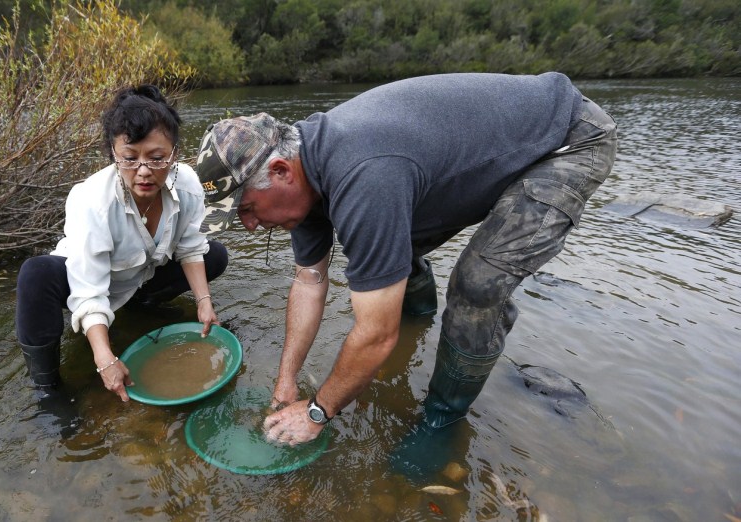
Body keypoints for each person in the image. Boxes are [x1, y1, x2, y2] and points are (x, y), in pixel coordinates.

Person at [195, 72, 616, 445]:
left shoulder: (364, 175)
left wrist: (317, 411)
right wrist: (286, 381)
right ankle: (419, 317)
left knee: (477, 284)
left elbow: (376, 335)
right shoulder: (301, 179)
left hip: (566, 140)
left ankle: (442, 421)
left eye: (246, 209)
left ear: (283, 172)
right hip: (454, 157)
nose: (249, 226)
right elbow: (309, 280)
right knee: (389, 253)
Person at [16, 85, 228, 402]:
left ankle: (142, 305)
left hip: (140, 276)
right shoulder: (92, 199)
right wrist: (105, 358)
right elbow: (88, 290)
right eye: (129, 158)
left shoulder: (188, 185)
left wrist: (203, 302)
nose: (143, 171)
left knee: (216, 255)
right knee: (35, 274)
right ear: (114, 155)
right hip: (83, 280)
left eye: (157, 158)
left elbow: (190, 246)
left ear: (174, 154)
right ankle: (47, 391)